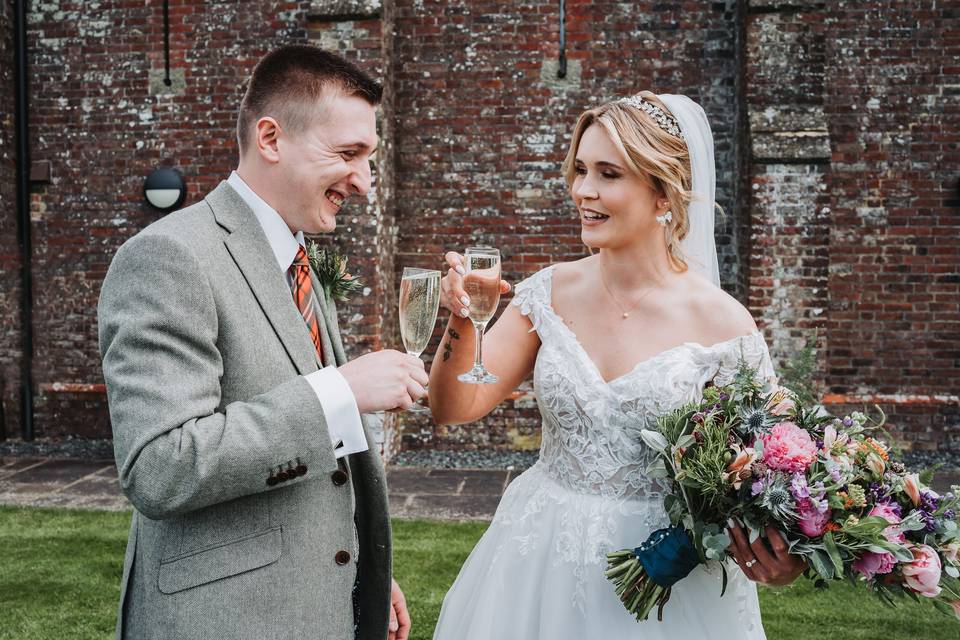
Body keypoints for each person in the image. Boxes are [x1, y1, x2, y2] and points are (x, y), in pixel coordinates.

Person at [428, 92, 806, 638]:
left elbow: (770, 477)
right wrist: (462, 318)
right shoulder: (549, 292)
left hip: (666, 579)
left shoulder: (725, 326)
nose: (584, 190)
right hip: (538, 557)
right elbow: (453, 406)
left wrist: (783, 556)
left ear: (662, 193)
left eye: (608, 174)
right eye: (580, 170)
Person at [98, 45, 422, 640]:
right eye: (349, 154)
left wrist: (353, 567)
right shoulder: (169, 257)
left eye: (369, 158)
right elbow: (160, 467)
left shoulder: (299, 256)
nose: (365, 182)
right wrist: (337, 392)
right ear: (271, 139)